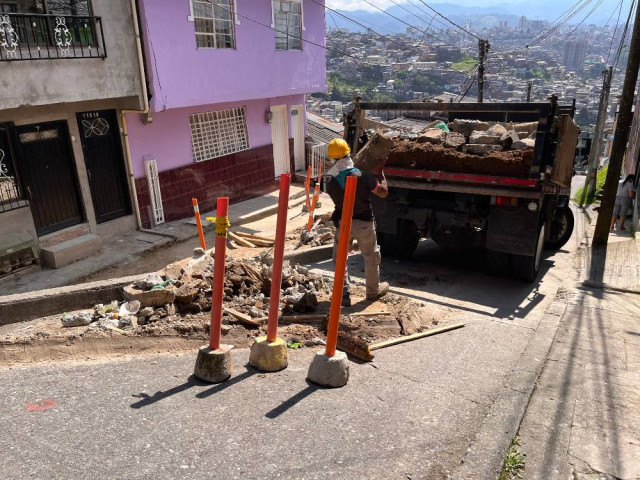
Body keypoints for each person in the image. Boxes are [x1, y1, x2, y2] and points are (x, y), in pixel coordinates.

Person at [325, 137, 389, 307]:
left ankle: (343, 294)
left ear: (331, 158)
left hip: (343, 223)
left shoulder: (330, 181)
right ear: (348, 154)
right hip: (364, 223)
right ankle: (372, 292)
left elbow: (342, 189)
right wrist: (381, 174)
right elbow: (383, 193)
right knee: (371, 256)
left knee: (340, 259)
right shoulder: (362, 176)